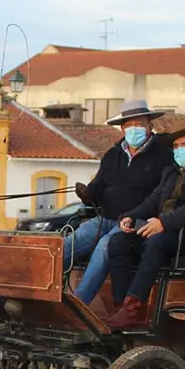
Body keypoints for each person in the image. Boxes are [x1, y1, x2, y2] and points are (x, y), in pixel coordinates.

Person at [101, 126, 185, 329]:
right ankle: (121, 306)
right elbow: (152, 202)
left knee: (156, 242)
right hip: (164, 232)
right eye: (176, 146)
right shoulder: (171, 172)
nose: (179, 150)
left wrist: (163, 223)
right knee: (118, 242)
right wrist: (130, 217)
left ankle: (133, 306)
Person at [64, 100, 172, 306]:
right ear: (122, 128)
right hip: (105, 218)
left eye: (139, 123)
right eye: (129, 125)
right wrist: (86, 194)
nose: (134, 129)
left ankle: (78, 305)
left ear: (150, 125)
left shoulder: (164, 156)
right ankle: (38, 294)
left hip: (136, 223)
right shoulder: (112, 154)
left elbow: (163, 195)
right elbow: (97, 187)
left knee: (105, 247)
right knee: (70, 243)